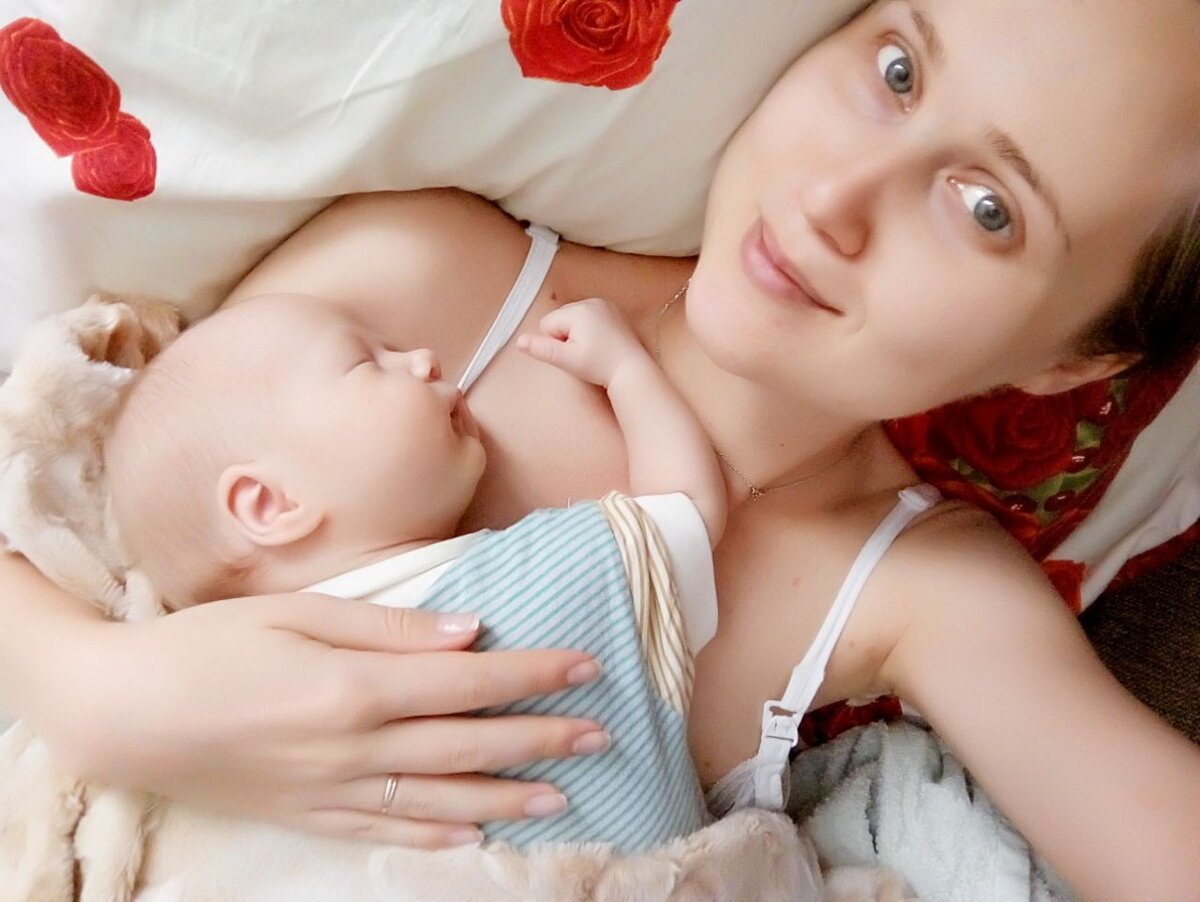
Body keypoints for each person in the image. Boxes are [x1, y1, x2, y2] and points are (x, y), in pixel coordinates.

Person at [1, 1, 1198, 897]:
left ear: (1071, 361)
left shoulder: (919, 588)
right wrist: (90, 686)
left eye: (989, 209)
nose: (837, 196)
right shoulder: (420, 286)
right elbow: (83, 496)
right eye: (897, 71)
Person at [104, 282, 728, 853]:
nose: (424, 359)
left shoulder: (231, 727)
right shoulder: (546, 580)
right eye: (366, 363)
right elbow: (688, 509)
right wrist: (624, 370)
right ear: (271, 504)